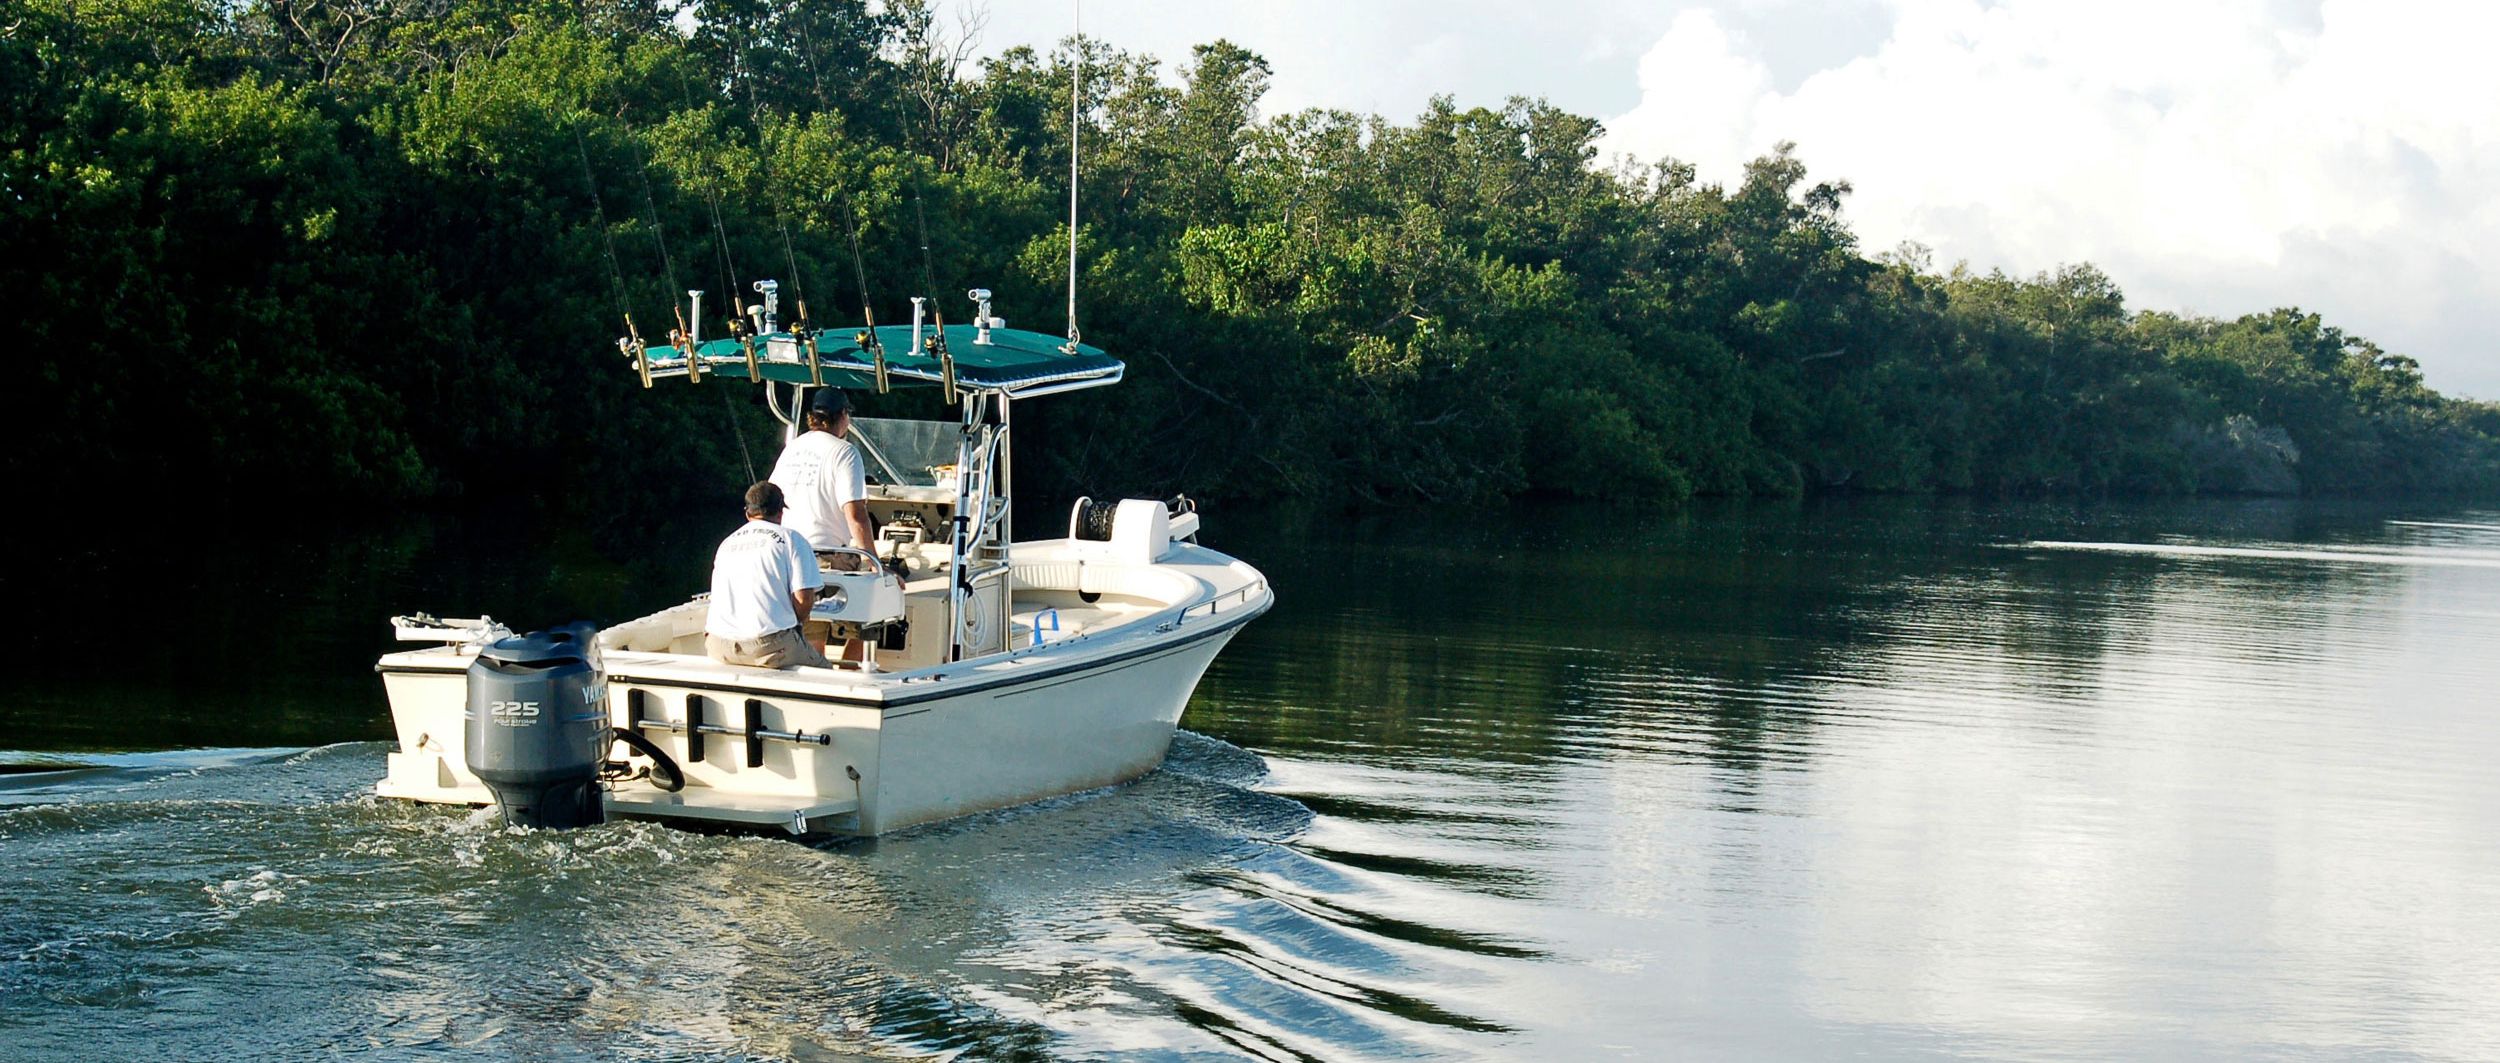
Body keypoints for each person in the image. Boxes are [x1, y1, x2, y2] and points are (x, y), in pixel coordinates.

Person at [703, 481, 831, 670]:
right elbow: (804, 600)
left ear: (748, 513)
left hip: (718, 646)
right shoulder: (792, 539)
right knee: (825, 672)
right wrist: (796, 625)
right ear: (780, 513)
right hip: (768, 648)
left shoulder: (726, 544)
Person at [770, 387, 875, 571]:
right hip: (824, 557)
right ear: (843, 415)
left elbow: (770, 500)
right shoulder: (845, 452)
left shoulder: (792, 447)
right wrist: (875, 562)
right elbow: (856, 515)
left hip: (786, 554)